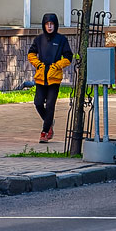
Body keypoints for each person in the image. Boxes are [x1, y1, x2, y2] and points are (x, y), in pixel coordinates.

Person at [27, 13, 73, 143]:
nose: (49, 26)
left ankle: (45, 131)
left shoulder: (61, 40)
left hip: (54, 78)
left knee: (51, 105)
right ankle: (49, 122)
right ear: (44, 25)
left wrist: (57, 65)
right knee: (38, 103)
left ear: (55, 25)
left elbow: (68, 57)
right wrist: (38, 64)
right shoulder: (39, 39)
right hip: (41, 77)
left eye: (52, 24)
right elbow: (31, 54)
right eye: (47, 24)